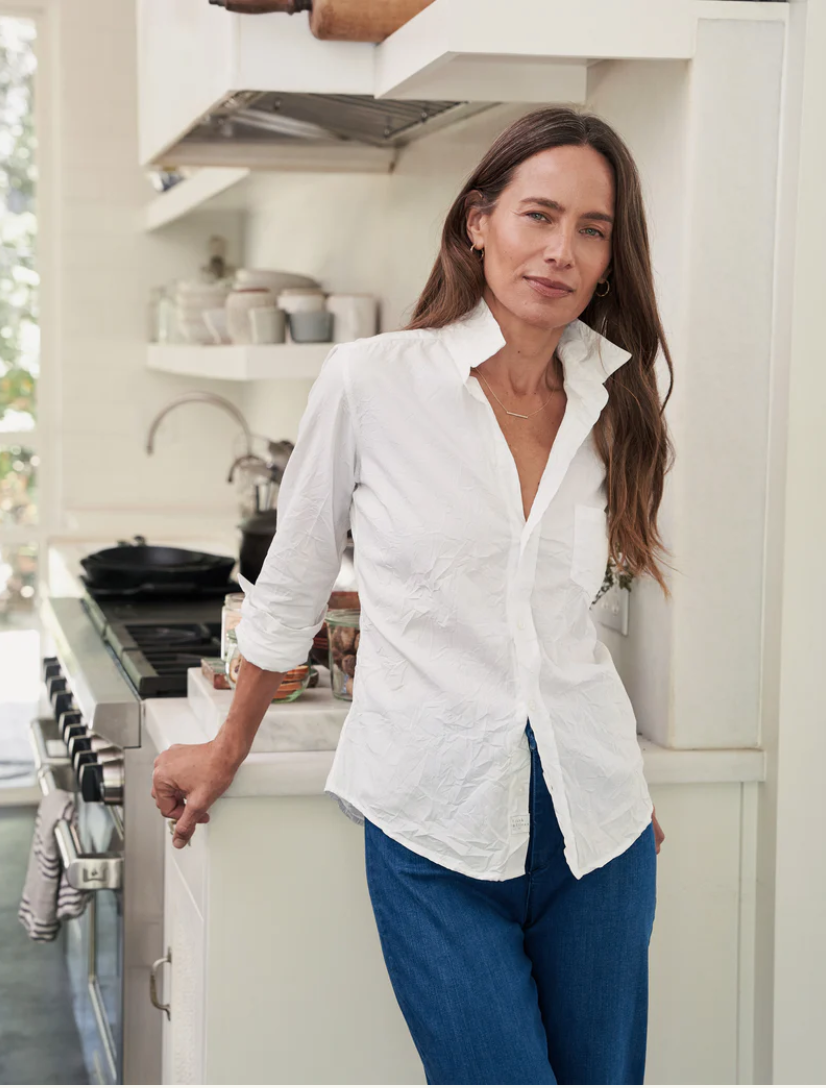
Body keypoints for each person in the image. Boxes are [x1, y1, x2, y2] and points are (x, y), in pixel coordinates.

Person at [152, 105, 674, 1086]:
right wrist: (226, 749)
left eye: (591, 230)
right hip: (434, 830)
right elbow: (291, 584)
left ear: (610, 257)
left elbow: (567, 621)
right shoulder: (370, 380)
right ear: (478, 222)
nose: (560, 249)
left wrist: (608, 777)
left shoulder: (614, 401)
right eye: (538, 214)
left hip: (597, 832)